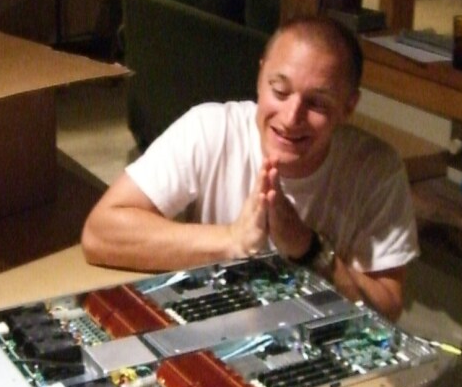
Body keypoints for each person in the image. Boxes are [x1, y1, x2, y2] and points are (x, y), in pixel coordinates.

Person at [81, 16, 418, 321]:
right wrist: (232, 240)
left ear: (349, 106)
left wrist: (309, 249)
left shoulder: (377, 170)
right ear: (260, 78)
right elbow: (100, 233)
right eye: (280, 91)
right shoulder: (210, 128)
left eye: (317, 103)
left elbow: (387, 308)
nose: (291, 118)